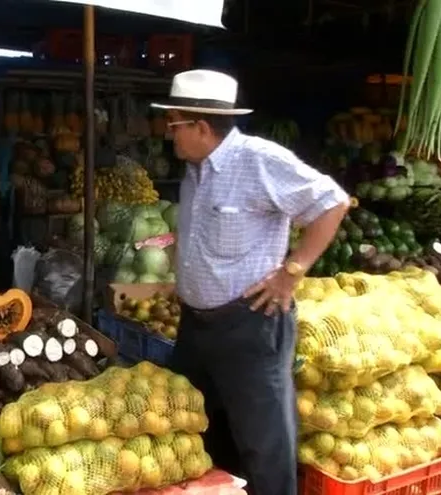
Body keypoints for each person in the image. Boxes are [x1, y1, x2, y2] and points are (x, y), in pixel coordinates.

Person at [153, 70, 350, 494]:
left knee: (265, 444)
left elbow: (332, 202)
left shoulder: (259, 160)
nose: (168, 135)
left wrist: (291, 272)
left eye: (173, 124)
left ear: (200, 127)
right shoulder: (195, 170)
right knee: (197, 429)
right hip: (196, 328)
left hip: (250, 325)